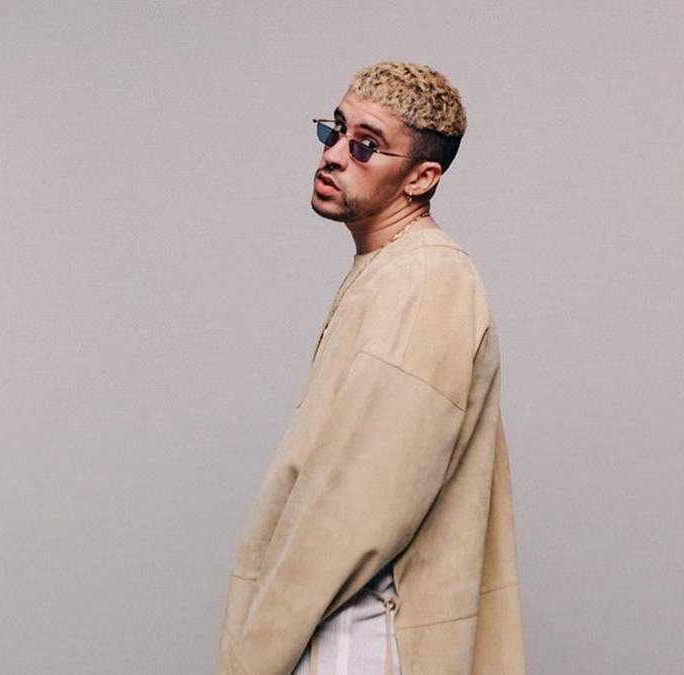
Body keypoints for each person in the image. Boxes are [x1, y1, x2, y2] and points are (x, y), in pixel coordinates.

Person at [213, 62, 526, 675]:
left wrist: (251, 661)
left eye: (365, 146)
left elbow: (353, 512)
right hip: (338, 634)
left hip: (357, 642)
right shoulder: (392, 272)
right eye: (336, 131)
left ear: (421, 178)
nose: (334, 154)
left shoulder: (425, 281)